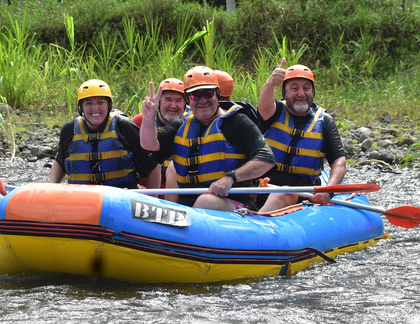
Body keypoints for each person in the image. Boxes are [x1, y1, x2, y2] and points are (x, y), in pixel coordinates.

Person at [140, 66, 275, 212]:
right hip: (189, 208)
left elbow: (266, 159)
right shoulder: (181, 125)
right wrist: (149, 118)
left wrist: (230, 178)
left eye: (208, 93)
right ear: (188, 100)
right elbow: (150, 145)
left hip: (234, 203)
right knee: (173, 169)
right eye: (195, 96)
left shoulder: (237, 122)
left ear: (217, 94)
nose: (202, 100)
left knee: (206, 201)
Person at [256, 59, 347, 212]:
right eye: (294, 88)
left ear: (313, 92)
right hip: (261, 188)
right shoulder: (274, 111)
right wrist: (270, 83)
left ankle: (258, 224)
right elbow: (263, 105)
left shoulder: (324, 121)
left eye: (306, 88)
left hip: (302, 194)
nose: (301, 93)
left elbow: (339, 163)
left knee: (283, 193)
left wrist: (328, 191)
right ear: (284, 92)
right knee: (281, 192)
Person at [50, 79, 161, 189]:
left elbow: (152, 166)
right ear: (81, 108)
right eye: (89, 103)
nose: (95, 108)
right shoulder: (69, 129)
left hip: (121, 198)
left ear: (109, 105)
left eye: (100, 102)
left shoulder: (123, 126)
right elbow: (60, 161)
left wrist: (151, 198)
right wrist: (51, 189)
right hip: (82, 198)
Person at [132, 78, 187, 192]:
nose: (173, 105)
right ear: (159, 102)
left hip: (179, 192)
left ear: (185, 104)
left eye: (178, 101)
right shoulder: (140, 121)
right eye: (168, 100)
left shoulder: (191, 124)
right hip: (147, 192)